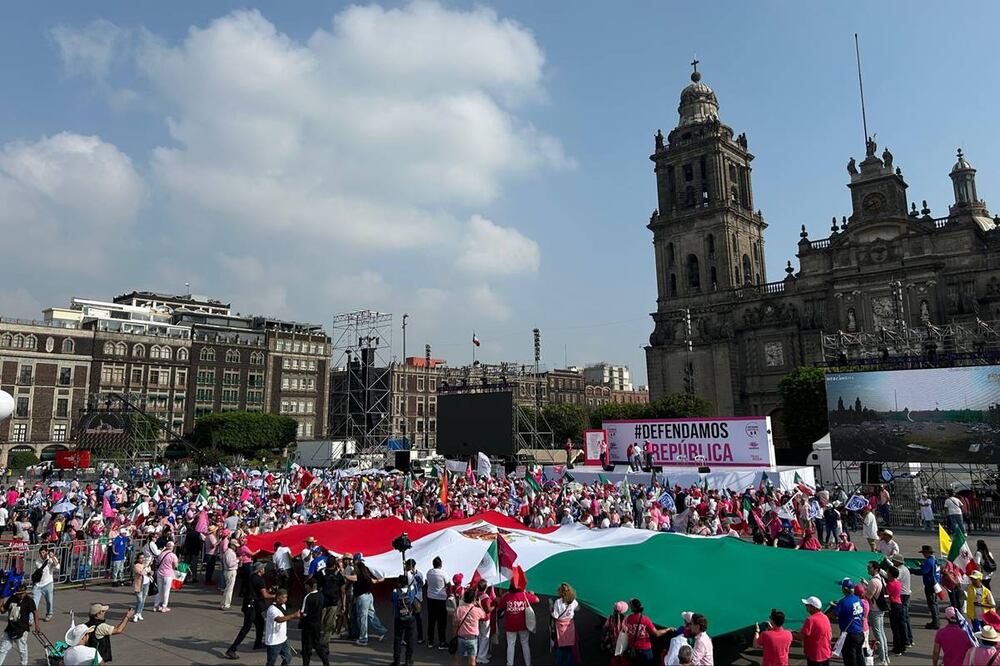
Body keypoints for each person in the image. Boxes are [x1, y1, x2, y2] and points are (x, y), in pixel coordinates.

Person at [225, 562, 272, 660]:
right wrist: (275, 596)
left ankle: (258, 643)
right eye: (263, 568)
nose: (264, 570)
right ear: (259, 570)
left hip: (249, 605)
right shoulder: (260, 580)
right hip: (253, 606)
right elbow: (264, 595)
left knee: (260, 623)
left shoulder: (251, 577)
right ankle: (232, 649)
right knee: (246, 628)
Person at [345, 553, 387, 646]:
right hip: (369, 596)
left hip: (362, 597)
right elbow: (373, 581)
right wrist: (381, 579)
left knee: (362, 618)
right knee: (371, 614)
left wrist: (344, 574)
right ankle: (381, 631)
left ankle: (363, 639)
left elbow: (354, 578)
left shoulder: (358, 572)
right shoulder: (366, 571)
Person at [498, 579, 538, 666]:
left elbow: (500, 606)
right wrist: (530, 594)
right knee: (525, 644)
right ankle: (528, 663)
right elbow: (537, 600)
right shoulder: (524, 595)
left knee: (511, 645)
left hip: (510, 625)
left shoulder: (507, 597)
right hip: (523, 625)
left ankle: (510, 664)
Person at [829, 578, 865, 666]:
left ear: (844, 589)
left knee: (850, 660)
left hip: (850, 635)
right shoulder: (858, 599)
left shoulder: (843, 602)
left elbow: (833, 615)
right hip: (860, 633)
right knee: (859, 656)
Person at [0, 584, 38, 665]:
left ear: (25, 592)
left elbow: (35, 612)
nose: (21, 595)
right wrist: (1, 601)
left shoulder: (29, 600)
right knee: (3, 649)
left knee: (22, 650)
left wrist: (37, 626)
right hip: (10, 628)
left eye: (23, 593)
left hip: (22, 629)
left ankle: (23, 664)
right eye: (19, 593)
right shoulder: (12, 598)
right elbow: (3, 611)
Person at [624, 598, 666, 666]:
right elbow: (656, 633)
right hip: (645, 649)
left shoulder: (628, 618)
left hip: (633, 649)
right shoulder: (645, 619)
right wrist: (668, 629)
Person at [264, 588, 299, 666]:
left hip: (283, 639)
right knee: (271, 662)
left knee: (288, 658)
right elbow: (279, 619)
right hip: (274, 641)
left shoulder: (283, 605)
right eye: (283, 597)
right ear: (278, 598)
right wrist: (293, 615)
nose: (285, 599)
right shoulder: (272, 609)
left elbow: (285, 617)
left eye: (286, 597)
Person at [863, 560, 889, 665]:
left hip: (875, 610)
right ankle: (885, 657)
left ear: (876, 569)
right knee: (881, 634)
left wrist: (864, 588)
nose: (868, 569)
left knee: (878, 635)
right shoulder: (880, 579)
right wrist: (866, 584)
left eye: (870, 568)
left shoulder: (873, 581)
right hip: (880, 609)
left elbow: (867, 597)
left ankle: (883, 659)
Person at [300, 577, 330, 666]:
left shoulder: (308, 597)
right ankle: (325, 662)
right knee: (317, 644)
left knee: (306, 647)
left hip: (308, 625)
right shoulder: (321, 595)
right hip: (317, 624)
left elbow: (304, 613)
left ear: (309, 586)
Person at [390, 574, 418, 666]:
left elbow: (392, 600)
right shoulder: (412, 589)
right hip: (410, 617)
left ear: (399, 583)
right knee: (410, 639)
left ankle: (396, 661)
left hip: (399, 618)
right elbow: (417, 586)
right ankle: (408, 660)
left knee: (397, 639)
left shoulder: (395, 591)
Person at [795, 596, 831, 666]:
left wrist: (790, 633)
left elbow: (800, 637)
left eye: (807, 605)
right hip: (825, 653)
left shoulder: (810, 620)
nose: (806, 607)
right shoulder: (825, 617)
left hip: (815, 655)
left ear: (813, 607)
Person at [455, 588, 486, 666]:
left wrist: (455, 636)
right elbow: (484, 616)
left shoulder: (459, 609)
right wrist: (480, 604)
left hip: (460, 637)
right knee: (472, 661)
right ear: (474, 599)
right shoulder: (477, 610)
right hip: (472, 638)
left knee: (457, 660)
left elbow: (455, 624)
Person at [426, 556, 451, 651]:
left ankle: (430, 641)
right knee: (441, 622)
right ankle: (442, 641)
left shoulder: (429, 572)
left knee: (431, 620)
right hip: (441, 599)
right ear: (440, 564)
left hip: (430, 598)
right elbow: (448, 584)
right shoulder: (443, 573)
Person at [551, 582, 578, 666]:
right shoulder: (573, 601)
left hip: (560, 626)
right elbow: (577, 608)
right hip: (570, 625)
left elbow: (555, 615)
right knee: (569, 648)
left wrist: (551, 608)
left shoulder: (558, 602)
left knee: (561, 648)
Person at [889, 554, 912, 648]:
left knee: (902, 620)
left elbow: (893, 578)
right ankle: (909, 638)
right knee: (905, 618)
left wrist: (882, 572)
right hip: (906, 593)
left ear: (898, 562)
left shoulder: (900, 570)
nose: (894, 563)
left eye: (894, 561)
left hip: (902, 595)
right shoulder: (905, 568)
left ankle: (905, 640)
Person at [31, 544, 59, 623]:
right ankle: (31, 619)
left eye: (43, 552)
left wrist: (52, 557)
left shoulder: (50, 560)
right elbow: (35, 571)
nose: (42, 554)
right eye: (40, 553)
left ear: (47, 552)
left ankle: (49, 614)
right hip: (38, 585)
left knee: (49, 601)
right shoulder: (37, 561)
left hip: (48, 584)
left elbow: (57, 566)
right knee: (34, 603)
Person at [885, 565, 906, 657]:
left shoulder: (890, 584)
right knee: (901, 627)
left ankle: (897, 648)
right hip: (899, 605)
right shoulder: (897, 582)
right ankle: (902, 645)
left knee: (895, 628)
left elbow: (886, 594)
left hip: (894, 606)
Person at [404, 559, 425, 646]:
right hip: (418, 598)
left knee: (408, 618)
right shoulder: (420, 573)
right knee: (418, 619)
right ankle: (420, 637)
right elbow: (422, 584)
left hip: (410, 597)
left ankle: (406, 638)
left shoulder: (406, 574)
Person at [602, 601, 630, 666]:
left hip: (613, 644)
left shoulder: (610, 618)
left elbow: (604, 628)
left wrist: (603, 640)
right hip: (624, 645)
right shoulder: (627, 619)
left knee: (614, 659)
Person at [152, 541, 178, 612]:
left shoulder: (161, 554)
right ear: (172, 547)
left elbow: (157, 562)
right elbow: (175, 566)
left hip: (160, 573)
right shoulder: (173, 555)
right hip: (168, 574)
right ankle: (164, 606)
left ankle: (156, 606)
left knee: (159, 590)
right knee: (166, 591)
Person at [921, 544, 943, 628]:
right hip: (935, 583)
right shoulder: (934, 560)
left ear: (927, 553)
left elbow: (924, 571)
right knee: (934, 602)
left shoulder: (928, 561)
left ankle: (935, 622)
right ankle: (936, 621)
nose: (923, 554)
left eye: (924, 552)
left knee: (932, 603)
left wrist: (913, 570)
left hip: (930, 584)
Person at [131, 553, 151, 622]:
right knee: (140, 600)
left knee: (143, 600)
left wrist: (150, 572)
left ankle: (139, 613)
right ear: (137, 559)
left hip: (146, 583)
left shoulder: (146, 565)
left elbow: (149, 573)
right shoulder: (136, 566)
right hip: (139, 585)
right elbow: (140, 573)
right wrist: (145, 567)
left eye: (143, 558)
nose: (142, 559)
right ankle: (136, 614)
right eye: (140, 558)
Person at [221, 540, 239, 609]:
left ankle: (225, 603)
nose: (236, 548)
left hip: (230, 571)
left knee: (228, 589)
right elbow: (230, 564)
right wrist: (237, 560)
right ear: (232, 545)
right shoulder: (229, 553)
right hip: (230, 571)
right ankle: (226, 604)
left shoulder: (230, 552)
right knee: (229, 589)